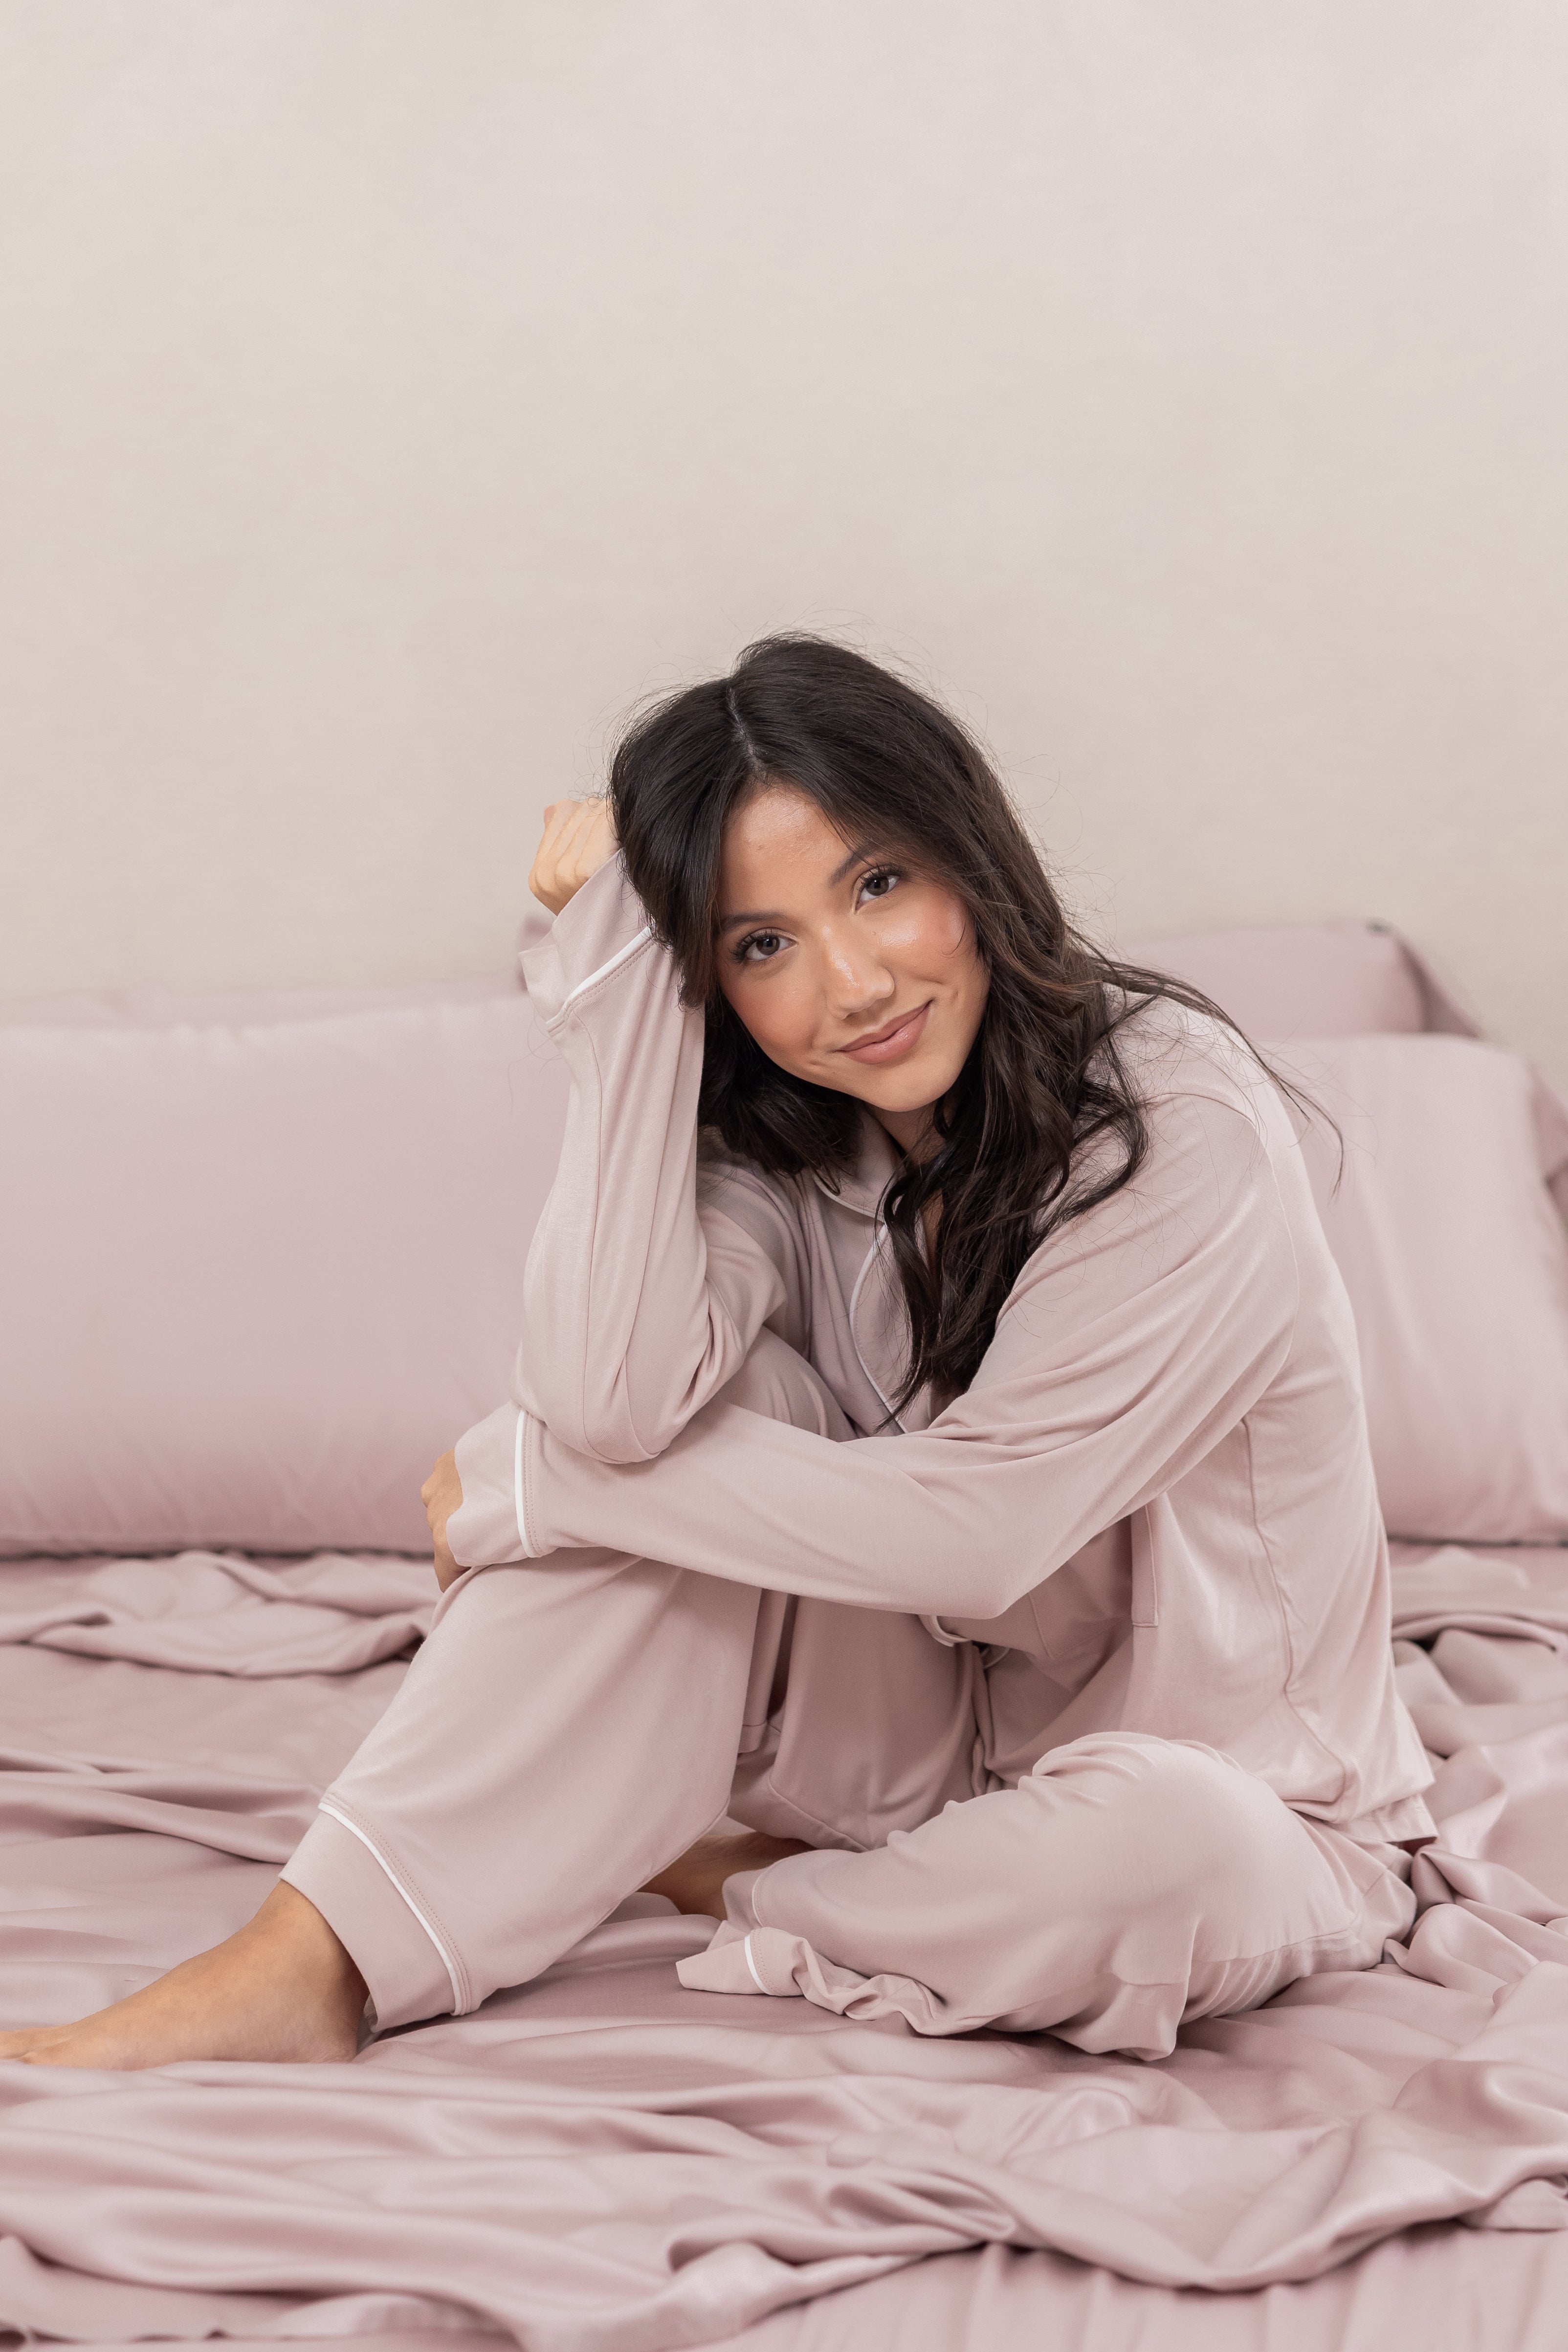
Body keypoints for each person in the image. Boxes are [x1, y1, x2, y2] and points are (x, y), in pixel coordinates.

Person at [0, 635, 1433, 2070]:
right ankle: (306, 1959)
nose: (854, 982)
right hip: (930, 1748)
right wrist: (619, 1000)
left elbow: (983, 1534)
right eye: (762, 944)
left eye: (879, 884)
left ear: (969, 854)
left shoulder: (1180, 1128)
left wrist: (532, 1482)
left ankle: (749, 1883)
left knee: (1152, 1850)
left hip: (1241, 1810)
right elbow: (608, 1400)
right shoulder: (791, 1134)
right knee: (706, 1405)